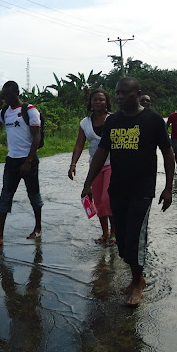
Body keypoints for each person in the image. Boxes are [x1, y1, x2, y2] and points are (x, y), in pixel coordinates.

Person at [81, 77, 175, 306]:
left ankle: (136, 283)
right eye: (118, 93)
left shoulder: (153, 120)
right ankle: (138, 278)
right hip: (117, 189)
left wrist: (169, 188)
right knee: (121, 241)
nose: (121, 97)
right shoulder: (113, 122)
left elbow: (168, 154)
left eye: (126, 93)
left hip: (142, 190)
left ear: (137, 93)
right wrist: (87, 183)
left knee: (135, 238)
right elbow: (101, 153)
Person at [0, 80, 43, 245]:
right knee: (5, 196)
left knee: (33, 194)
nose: (6, 98)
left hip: (28, 160)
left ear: (17, 93)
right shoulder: (5, 112)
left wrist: (29, 160)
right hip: (12, 161)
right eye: (4, 95)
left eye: (8, 94)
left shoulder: (29, 110)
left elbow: (36, 136)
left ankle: (38, 227)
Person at [68, 89, 115, 245]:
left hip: (112, 164)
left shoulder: (114, 119)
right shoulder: (84, 123)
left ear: (106, 102)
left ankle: (115, 232)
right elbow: (79, 145)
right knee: (99, 201)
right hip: (95, 167)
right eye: (95, 99)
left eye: (101, 99)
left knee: (108, 198)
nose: (98, 102)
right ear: (90, 102)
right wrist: (73, 164)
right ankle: (105, 233)